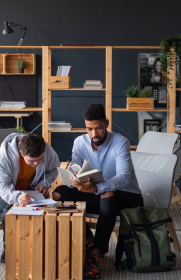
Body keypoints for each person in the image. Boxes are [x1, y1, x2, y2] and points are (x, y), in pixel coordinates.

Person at [52, 104, 143, 279]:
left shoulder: (120, 142)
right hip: (96, 193)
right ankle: (88, 238)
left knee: (106, 194)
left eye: (99, 128)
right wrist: (75, 178)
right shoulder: (79, 142)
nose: (94, 134)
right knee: (59, 194)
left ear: (106, 123)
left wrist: (97, 188)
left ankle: (96, 253)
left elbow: (123, 177)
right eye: (89, 129)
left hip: (128, 197)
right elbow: (75, 167)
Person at [0, 132, 60, 263]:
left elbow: (53, 169)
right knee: (11, 207)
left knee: (47, 206)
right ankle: (9, 248)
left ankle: (38, 246)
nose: (37, 164)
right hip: (0, 194)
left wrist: (43, 184)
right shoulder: (4, 154)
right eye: (31, 161)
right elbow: (1, 186)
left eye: (40, 159)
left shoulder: (46, 149)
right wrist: (17, 197)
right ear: (21, 153)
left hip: (31, 192)